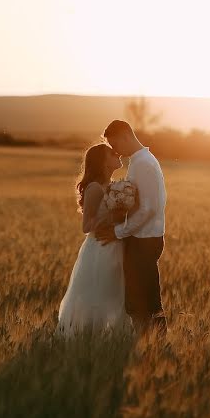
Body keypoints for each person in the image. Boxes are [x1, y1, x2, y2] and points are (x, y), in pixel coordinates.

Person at [95, 120, 168, 335]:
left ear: (126, 135)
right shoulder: (140, 161)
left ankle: (154, 344)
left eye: (115, 144)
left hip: (144, 239)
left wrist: (118, 232)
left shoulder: (143, 163)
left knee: (144, 300)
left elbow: (148, 209)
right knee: (140, 298)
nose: (115, 150)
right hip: (142, 237)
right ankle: (147, 343)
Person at [56, 143, 132, 335]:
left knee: (117, 293)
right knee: (98, 292)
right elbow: (86, 227)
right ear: (103, 161)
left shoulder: (116, 187)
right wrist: (112, 218)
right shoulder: (95, 189)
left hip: (117, 245)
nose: (118, 154)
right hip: (100, 248)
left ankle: (114, 336)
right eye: (112, 153)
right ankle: (90, 335)